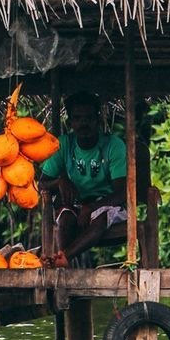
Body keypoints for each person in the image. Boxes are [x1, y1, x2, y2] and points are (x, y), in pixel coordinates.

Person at [41, 90, 128, 264]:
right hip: (76, 204)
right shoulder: (63, 144)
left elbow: (122, 193)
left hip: (107, 204)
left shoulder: (113, 145)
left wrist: (91, 208)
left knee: (101, 218)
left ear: (97, 120)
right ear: (70, 122)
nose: (83, 123)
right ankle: (63, 267)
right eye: (77, 118)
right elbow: (41, 183)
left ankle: (64, 257)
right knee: (65, 218)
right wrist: (59, 181)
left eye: (88, 118)